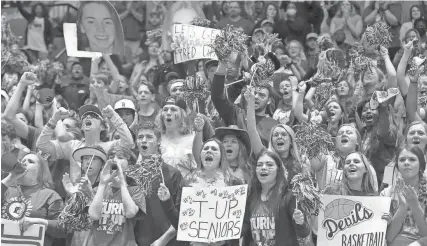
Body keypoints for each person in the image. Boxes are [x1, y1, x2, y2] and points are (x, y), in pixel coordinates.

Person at [36, 104, 134, 186]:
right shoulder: (72, 146)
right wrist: (54, 119)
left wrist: (113, 116)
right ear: (82, 126)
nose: (87, 117)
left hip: (99, 202)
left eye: (93, 116)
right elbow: (42, 145)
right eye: (84, 116)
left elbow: (129, 142)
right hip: (74, 202)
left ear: (102, 126)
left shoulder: (109, 147)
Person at [241, 150, 311, 246]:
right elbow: (244, 228)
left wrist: (300, 223)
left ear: (278, 170)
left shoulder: (289, 196)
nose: (263, 168)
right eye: (259, 165)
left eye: (269, 165)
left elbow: (304, 233)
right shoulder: (250, 197)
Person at [133, 122, 183, 246]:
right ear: (136, 142)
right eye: (140, 137)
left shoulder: (173, 174)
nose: (144, 141)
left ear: (159, 141)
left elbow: (182, 215)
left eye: (149, 137)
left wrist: (163, 240)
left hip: (168, 242)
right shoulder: (129, 176)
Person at [85, 145, 146, 246]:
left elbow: (130, 212)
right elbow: (94, 215)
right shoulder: (98, 190)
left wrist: (122, 183)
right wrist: (102, 184)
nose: (115, 160)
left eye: (120, 157)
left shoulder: (135, 190)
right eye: (111, 157)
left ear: (130, 164)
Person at [1, 152, 65, 246]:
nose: (24, 163)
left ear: (40, 171)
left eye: (30, 161)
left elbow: (63, 228)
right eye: (22, 161)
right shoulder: (7, 190)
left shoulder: (50, 195)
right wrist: (10, 178)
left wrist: (37, 221)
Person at [211, 61, 278, 147]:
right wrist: (223, 62)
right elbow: (217, 97)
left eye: (262, 95)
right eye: (254, 92)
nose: (256, 97)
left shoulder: (274, 125)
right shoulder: (237, 114)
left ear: (269, 101)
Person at [381, 145, 427, 246]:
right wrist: (403, 207)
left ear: (421, 165)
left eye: (412, 159)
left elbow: (426, 234)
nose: (406, 163)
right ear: (397, 166)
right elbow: (389, 237)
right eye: (402, 160)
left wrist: (415, 206)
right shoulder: (386, 194)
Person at [157, 97, 197, 176]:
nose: (168, 113)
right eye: (165, 110)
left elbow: (199, 170)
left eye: (173, 110)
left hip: (186, 185)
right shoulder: (155, 138)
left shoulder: (193, 139)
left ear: (183, 115)